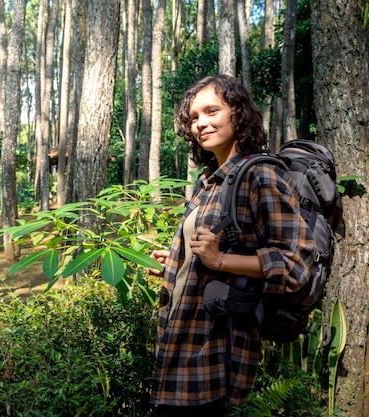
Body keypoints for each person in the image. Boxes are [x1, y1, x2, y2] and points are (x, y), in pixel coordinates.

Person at [148, 74, 316, 416]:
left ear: (237, 114)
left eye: (212, 111)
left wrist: (220, 260)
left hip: (212, 353)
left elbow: (297, 262)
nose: (200, 124)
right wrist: (179, 262)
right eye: (194, 117)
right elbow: (209, 254)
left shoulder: (261, 175)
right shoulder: (208, 182)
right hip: (180, 341)